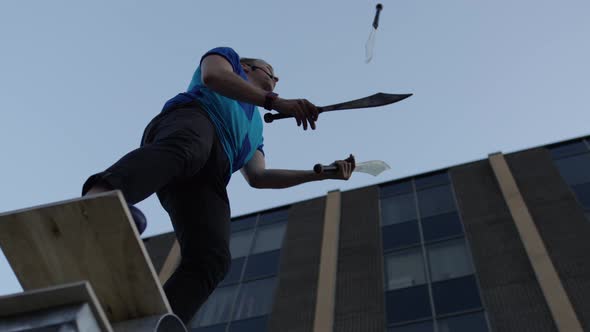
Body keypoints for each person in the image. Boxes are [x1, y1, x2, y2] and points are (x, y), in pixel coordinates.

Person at [81, 46, 356, 323]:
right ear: (247, 68)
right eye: (272, 73)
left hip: (213, 172)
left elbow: (259, 177)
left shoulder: (256, 130)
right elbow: (213, 77)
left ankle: (158, 323)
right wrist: (276, 101)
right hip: (193, 120)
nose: (277, 80)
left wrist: (319, 174)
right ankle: (98, 198)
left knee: (213, 257)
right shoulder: (229, 60)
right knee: (190, 148)